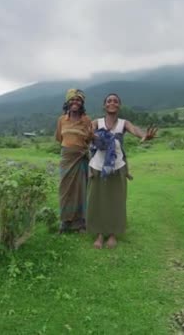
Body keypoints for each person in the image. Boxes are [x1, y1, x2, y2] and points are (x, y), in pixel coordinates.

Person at [87, 93, 157, 249]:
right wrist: (90, 135)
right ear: (104, 105)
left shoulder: (123, 123)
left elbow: (135, 130)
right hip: (98, 166)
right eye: (109, 101)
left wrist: (144, 135)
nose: (112, 103)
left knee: (116, 200)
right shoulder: (96, 122)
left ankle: (112, 234)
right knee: (97, 200)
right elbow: (88, 134)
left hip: (118, 166)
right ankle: (99, 234)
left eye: (115, 101)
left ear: (119, 105)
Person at [55, 89, 93, 233]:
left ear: (82, 103)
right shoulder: (61, 120)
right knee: (65, 190)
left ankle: (80, 223)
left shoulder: (87, 120)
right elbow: (60, 138)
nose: (75, 102)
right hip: (67, 158)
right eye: (72, 99)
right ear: (67, 102)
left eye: (78, 100)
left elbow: (90, 138)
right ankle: (65, 222)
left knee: (81, 190)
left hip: (81, 158)